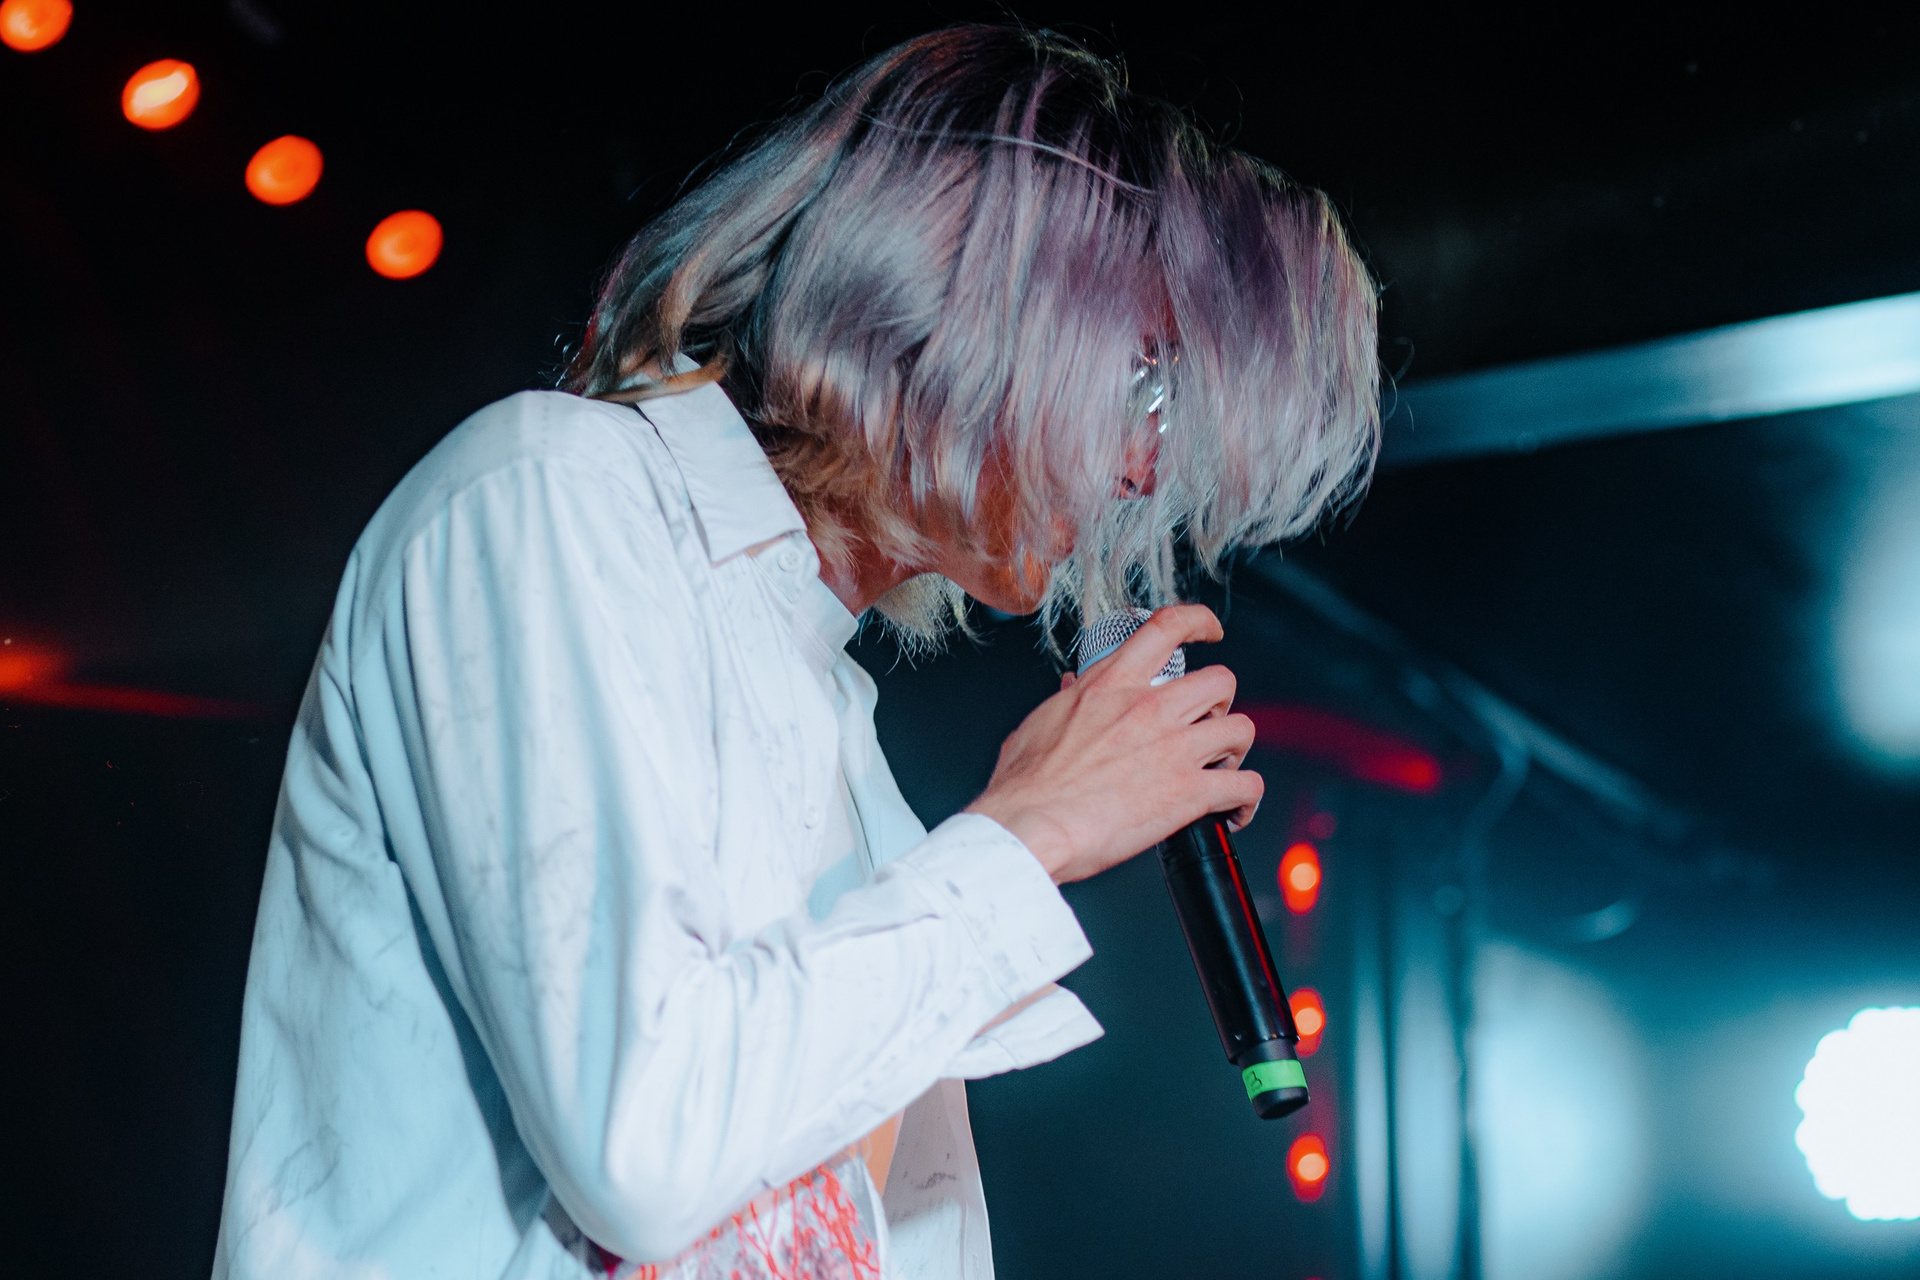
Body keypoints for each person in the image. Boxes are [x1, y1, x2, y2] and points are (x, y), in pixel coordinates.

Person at [211, 23, 1377, 1280]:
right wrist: (1032, 830)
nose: (1145, 471)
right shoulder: (547, 498)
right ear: (985, 299)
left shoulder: (833, 722)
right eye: (1149, 385)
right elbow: (643, 1144)